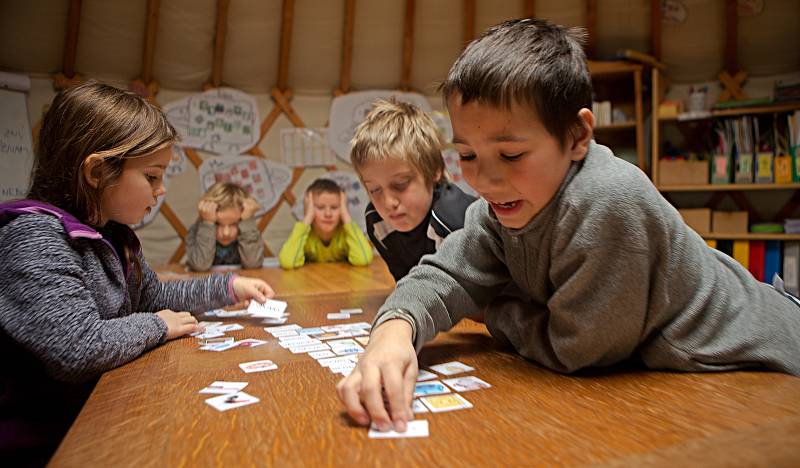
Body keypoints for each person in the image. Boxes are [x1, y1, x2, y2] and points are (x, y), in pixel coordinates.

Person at [337, 18, 800, 433]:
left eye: (512, 154)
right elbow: (443, 273)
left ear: (578, 136)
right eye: (469, 156)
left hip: (762, 358)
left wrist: (492, 310)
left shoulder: (607, 200)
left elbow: (577, 350)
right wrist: (393, 331)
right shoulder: (499, 208)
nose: (486, 180)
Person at [0, 82, 274, 464]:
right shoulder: (34, 237)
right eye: (151, 177)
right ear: (97, 171)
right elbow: (77, 348)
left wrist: (227, 286)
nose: (161, 191)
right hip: (47, 441)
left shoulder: (116, 235)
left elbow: (156, 299)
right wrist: (157, 326)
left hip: (101, 412)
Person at [350, 99, 476, 281]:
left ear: (434, 172)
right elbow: (406, 283)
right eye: (374, 190)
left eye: (400, 184)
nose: (388, 203)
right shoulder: (377, 222)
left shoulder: (455, 221)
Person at [278, 178, 373, 269]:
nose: (328, 214)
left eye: (334, 207)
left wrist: (346, 216)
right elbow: (288, 262)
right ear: (309, 209)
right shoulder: (305, 236)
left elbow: (364, 259)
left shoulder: (345, 234)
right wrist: (306, 219)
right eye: (320, 207)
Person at [185, 182, 264, 271]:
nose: (226, 233)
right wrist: (207, 223)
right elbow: (200, 266)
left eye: (234, 224)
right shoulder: (199, 231)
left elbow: (253, 264)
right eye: (218, 224)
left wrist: (248, 223)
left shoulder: (249, 231)